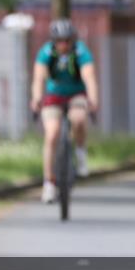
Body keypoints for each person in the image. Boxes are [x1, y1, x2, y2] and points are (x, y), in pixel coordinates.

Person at [29, 19, 99, 203]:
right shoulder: (46, 52)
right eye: (60, 41)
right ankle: (49, 183)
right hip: (54, 94)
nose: (64, 45)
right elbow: (38, 78)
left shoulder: (81, 51)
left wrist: (92, 99)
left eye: (67, 41)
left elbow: (89, 76)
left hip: (76, 93)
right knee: (52, 134)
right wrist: (36, 98)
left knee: (78, 119)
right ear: (54, 41)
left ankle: (80, 153)